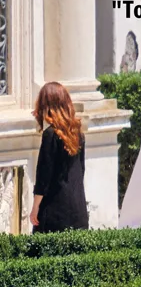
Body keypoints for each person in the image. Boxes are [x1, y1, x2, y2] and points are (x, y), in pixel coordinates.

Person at [29, 82, 90, 233]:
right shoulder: (78, 134)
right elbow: (81, 170)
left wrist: (35, 206)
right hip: (78, 210)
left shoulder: (50, 135)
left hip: (54, 212)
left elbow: (44, 176)